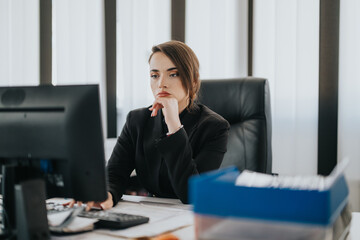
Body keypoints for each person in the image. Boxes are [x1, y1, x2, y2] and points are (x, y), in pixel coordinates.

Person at [80, 40, 229, 211]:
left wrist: (174, 124)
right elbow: (114, 174)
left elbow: (191, 194)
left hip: (191, 217)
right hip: (153, 212)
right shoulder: (137, 120)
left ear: (193, 81)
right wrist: (106, 194)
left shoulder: (214, 127)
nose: (161, 84)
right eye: (154, 75)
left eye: (173, 74)